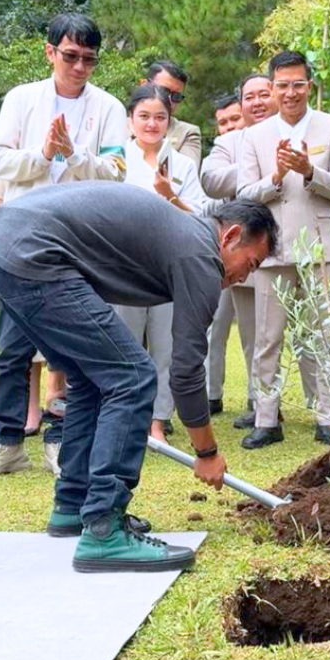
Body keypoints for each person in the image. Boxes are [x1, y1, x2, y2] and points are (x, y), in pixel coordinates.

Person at [0, 185, 277, 571]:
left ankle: (74, 504)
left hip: (1, 244)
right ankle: (104, 529)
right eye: (249, 264)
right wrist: (207, 452)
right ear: (230, 236)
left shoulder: (185, 239)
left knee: (88, 377)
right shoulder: (201, 254)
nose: (242, 277)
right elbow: (185, 373)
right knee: (131, 375)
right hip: (31, 252)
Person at [0, 13, 128, 481]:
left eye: (89, 59)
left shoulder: (109, 107)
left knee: (71, 348)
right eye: (71, 56)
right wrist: (44, 154)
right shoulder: (21, 99)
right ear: (50, 52)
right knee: (14, 346)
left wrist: (73, 154)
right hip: (22, 233)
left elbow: (117, 171)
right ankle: (8, 441)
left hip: (80, 238)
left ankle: (61, 441)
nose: (79, 67)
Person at [237, 50, 330, 448]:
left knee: (327, 335)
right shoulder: (253, 135)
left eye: (297, 84)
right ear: (271, 88)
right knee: (268, 337)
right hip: (272, 248)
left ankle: (328, 416)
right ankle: (267, 418)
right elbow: (244, 194)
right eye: (282, 85)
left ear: (310, 85)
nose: (290, 93)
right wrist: (277, 175)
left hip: (323, 248)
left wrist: (309, 172)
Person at [117, 84, 207, 442]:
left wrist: (172, 197)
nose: (152, 124)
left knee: (165, 345)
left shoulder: (182, 163)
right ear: (130, 120)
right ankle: (125, 416)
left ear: (170, 122)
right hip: (123, 264)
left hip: (170, 266)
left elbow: (200, 213)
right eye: (144, 116)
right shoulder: (117, 159)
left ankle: (157, 421)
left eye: (160, 117)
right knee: (124, 342)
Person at [201, 74, 279, 430]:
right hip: (244, 248)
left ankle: (316, 409)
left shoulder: (293, 131)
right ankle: (256, 401)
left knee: (284, 336)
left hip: (295, 247)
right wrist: (256, 168)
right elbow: (211, 179)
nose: (258, 102)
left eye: (265, 94)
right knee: (251, 334)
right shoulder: (231, 142)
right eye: (251, 97)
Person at [143, 59, 202, 167]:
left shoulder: (187, 133)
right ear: (144, 85)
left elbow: (186, 175)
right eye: (163, 91)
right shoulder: (119, 124)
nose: (169, 100)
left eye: (176, 97)